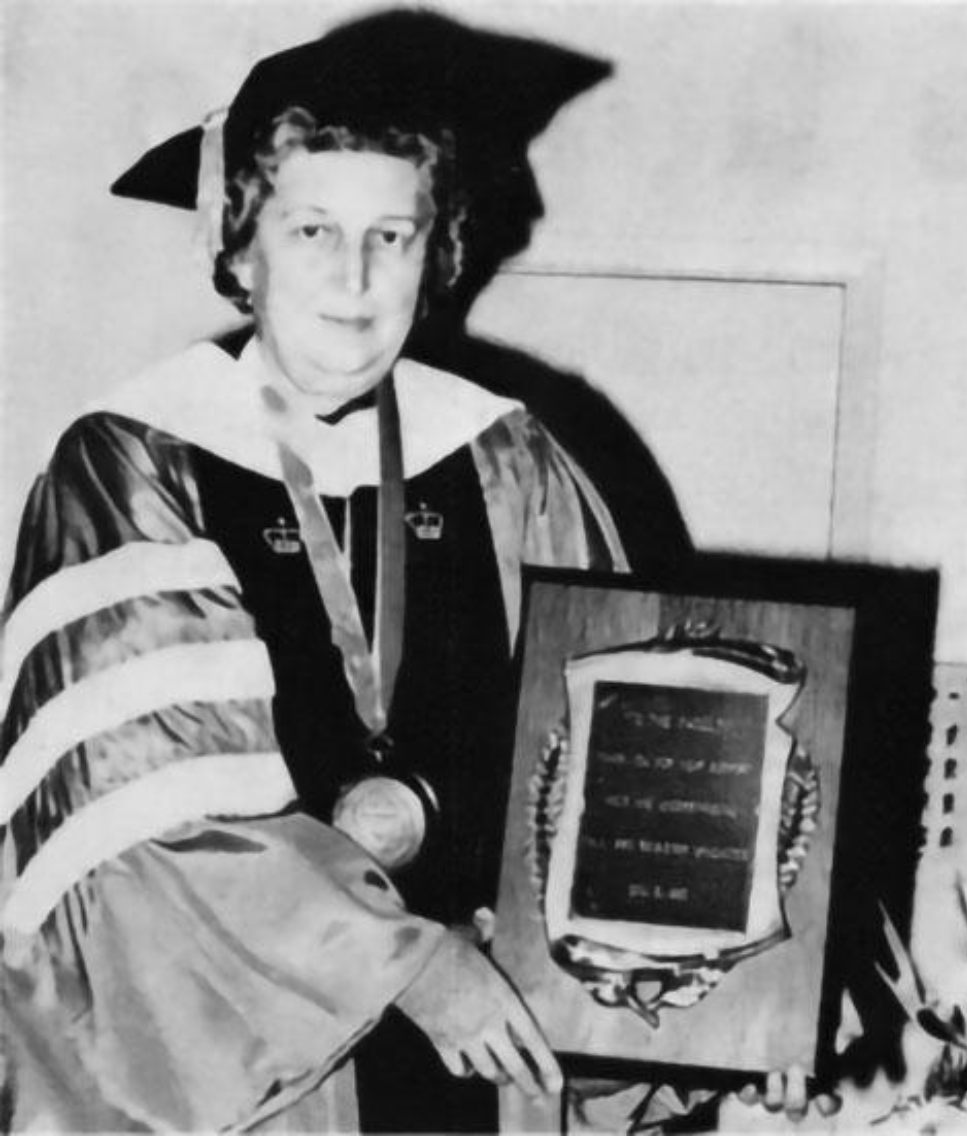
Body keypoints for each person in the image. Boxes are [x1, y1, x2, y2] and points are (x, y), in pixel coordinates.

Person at [0, 10, 644, 1133]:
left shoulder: (510, 456)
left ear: (435, 251)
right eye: (310, 231)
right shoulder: (132, 460)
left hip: (494, 1054)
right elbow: (141, 819)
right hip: (272, 1086)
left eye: (392, 236)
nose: (353, 277)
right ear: (239, 245)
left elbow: (623, 772)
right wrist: (405, 963)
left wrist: (720, 1019)